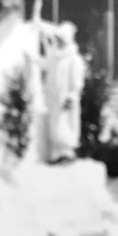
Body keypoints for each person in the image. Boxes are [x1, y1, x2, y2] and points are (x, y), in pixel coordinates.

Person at [43, 21, 86, 163]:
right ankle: (56, 154)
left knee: (66, 124)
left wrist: (72, 96)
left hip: (66, 99)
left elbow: (77, 81)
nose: (59, 43)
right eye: (58, 40)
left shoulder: (74, 59)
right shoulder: (55, 57)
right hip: (54, 98)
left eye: (61, 40)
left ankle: (67, 153)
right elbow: (47, 69)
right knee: (55, 125)